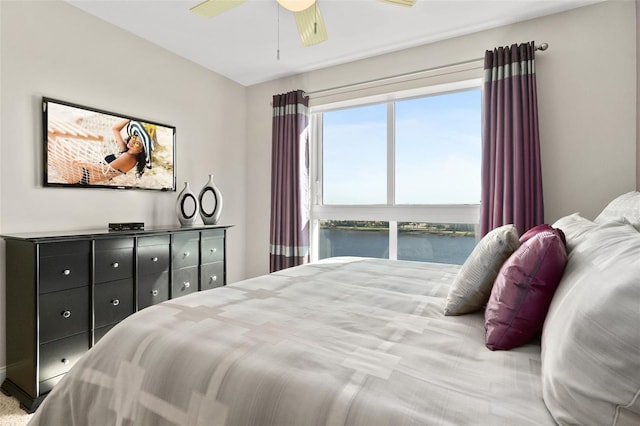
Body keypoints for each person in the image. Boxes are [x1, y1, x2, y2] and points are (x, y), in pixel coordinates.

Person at [70, 119, 154, 185]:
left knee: (59, 144)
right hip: (85, 172)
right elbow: (115, 129)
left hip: (84, 175)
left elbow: (105, 170)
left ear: (141, 150)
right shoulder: (128, 151)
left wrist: (85, 163)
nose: (132, 142)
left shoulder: (128, 157)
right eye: (133, 138)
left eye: (137, 143)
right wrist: (130, 118)